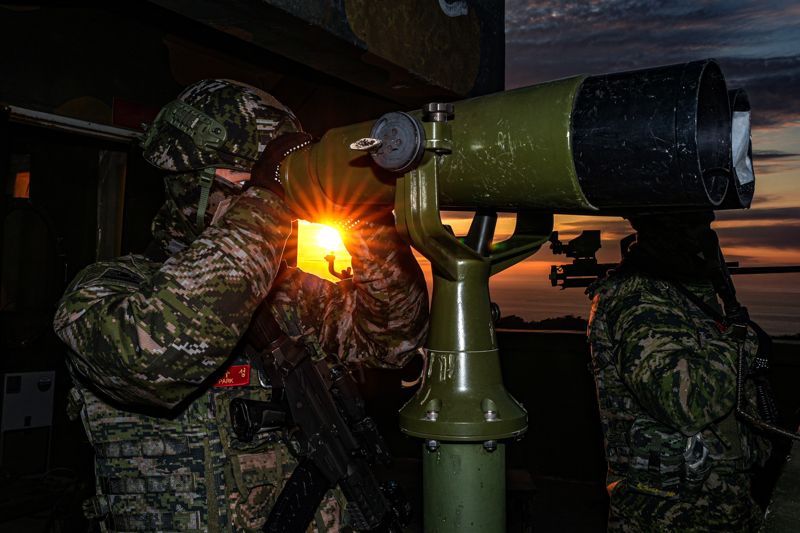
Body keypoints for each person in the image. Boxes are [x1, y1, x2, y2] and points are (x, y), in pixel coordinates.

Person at [53, 79, 429, 532]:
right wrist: (266, 200)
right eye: (247, 178)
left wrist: (369, 224)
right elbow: (158, 357)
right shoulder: (103, 294)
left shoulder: (293, 298)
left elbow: (394, 341)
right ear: (190, 183)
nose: (276, 195)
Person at [586, 211, 771, 532]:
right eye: (696, 226)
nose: (706, 238)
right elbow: (685, 403)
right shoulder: (639, 298)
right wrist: (746, 342)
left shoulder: (682, 293)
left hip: (720, 505)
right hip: (669, 516)